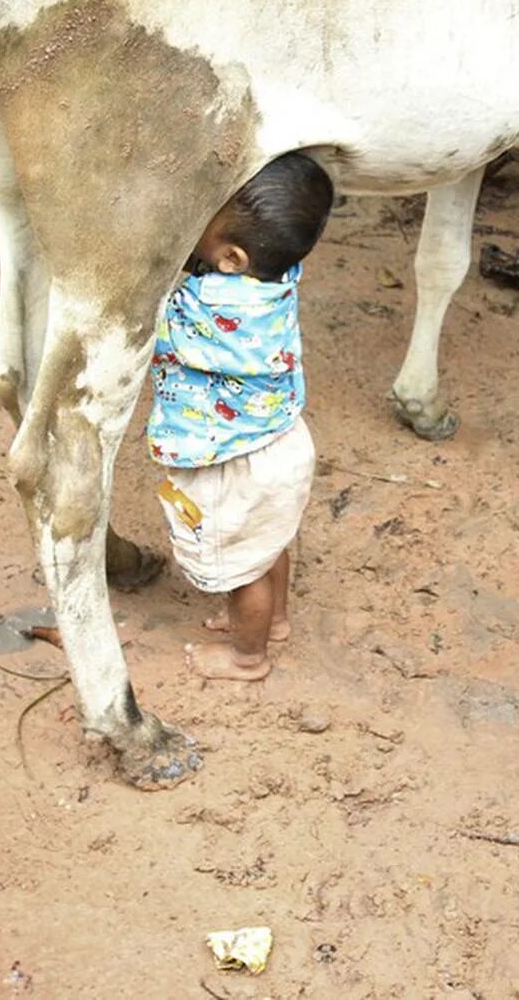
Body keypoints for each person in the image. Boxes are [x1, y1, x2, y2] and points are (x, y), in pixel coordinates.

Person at [149, 152, 334, 682]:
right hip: (281, 439)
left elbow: (153, 319)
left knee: (240, 571)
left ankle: (247, 657)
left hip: (234, 458)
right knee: (269, 543)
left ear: (231, 258)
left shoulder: (206, 308)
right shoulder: (279, 277)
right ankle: (273, 621)